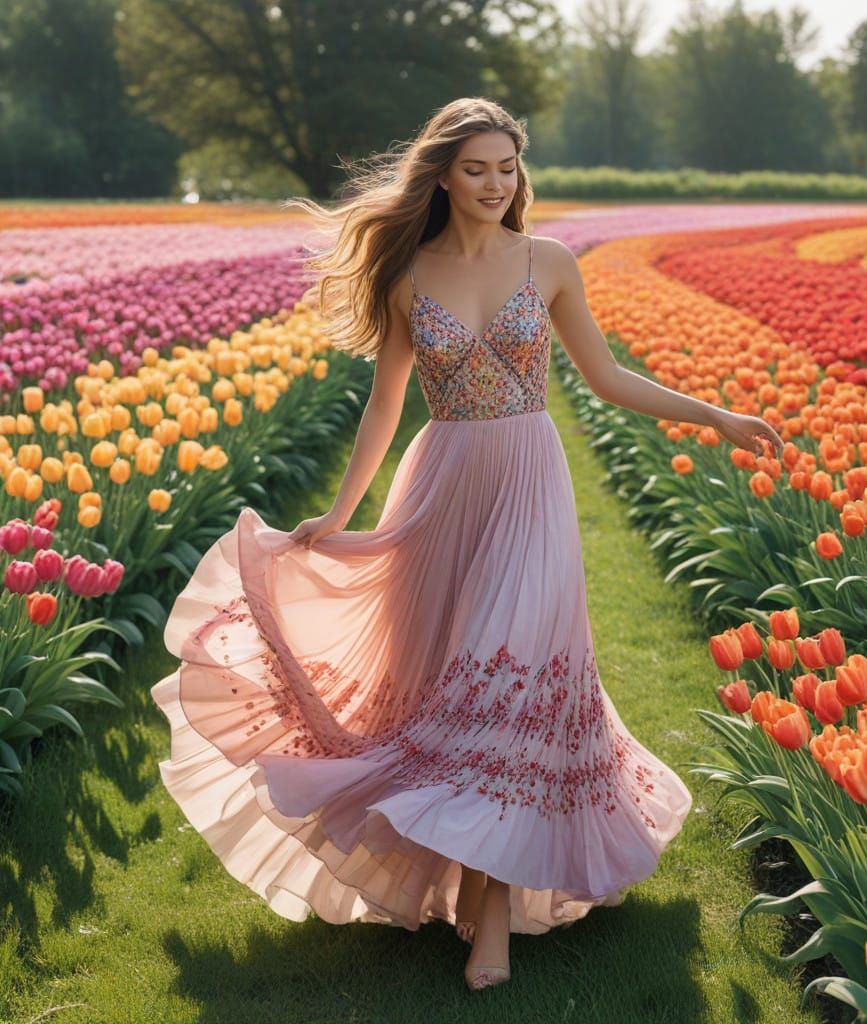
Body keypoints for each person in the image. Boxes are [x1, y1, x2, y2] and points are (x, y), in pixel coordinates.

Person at [151, 96, 784, 993]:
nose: (496, 184)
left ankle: (491, 930)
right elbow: (384, 406)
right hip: (445, 485)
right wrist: (340, 516)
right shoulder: (409, 273)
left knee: (510, 679)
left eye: (508, 168)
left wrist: (714, 414)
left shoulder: (550, 262)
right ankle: (476, 900)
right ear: (443, 175)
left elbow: (603, 378)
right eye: (477, 168)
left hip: (531, 485)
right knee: (456, 694)